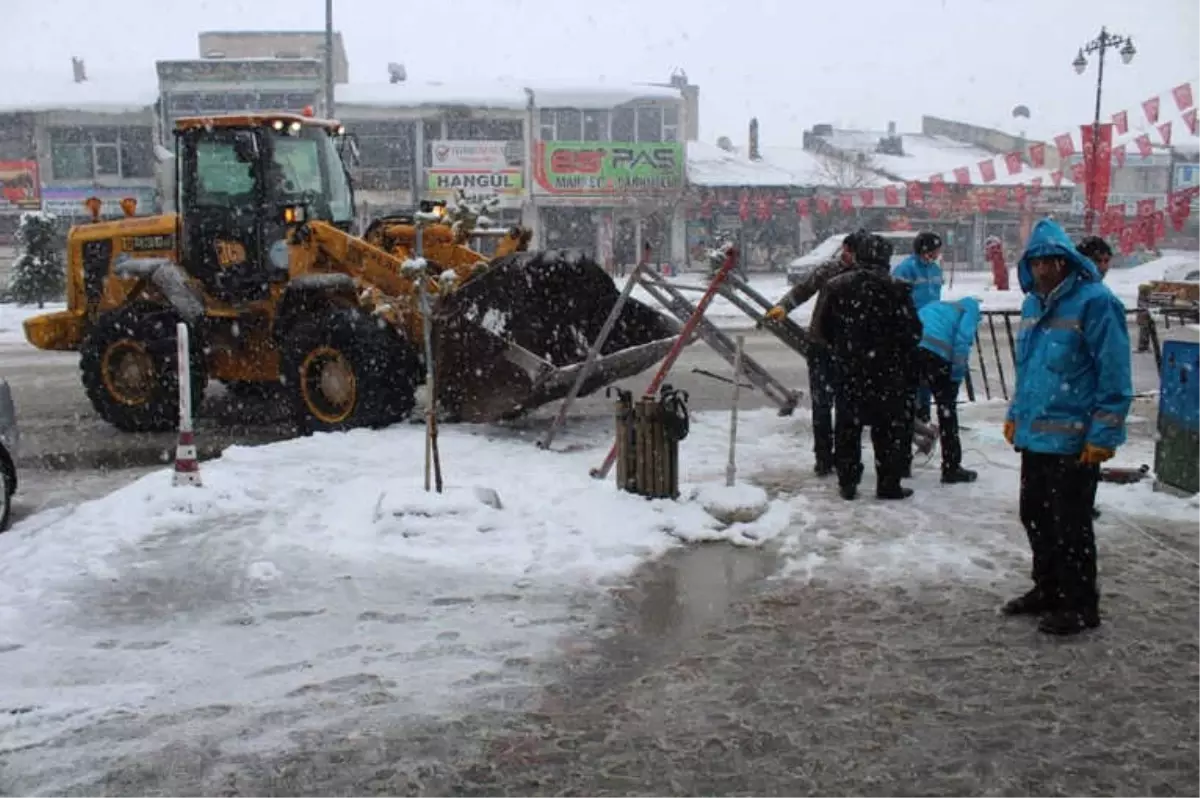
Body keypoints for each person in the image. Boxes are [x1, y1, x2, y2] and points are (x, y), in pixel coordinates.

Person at [1002, 218, 1132, 636]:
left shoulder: (1096, 302)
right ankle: (1049, 589)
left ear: (1067, 261)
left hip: (1074, 440)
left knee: (1070, 525)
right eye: (1036, 262)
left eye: (1052, 261)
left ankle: (1080, 605)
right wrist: (1014, 414)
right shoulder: (1030, 305)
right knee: (1035, 515)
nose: (1044, 270)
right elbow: (1028, 370)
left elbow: (1113, 375)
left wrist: (1103, 435)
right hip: (1036, 437)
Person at [818, 233, 922, 501]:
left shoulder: (837, 286)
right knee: (887, 429)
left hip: (849, 369)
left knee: (847, 427)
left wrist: (845, 349)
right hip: (888, 373)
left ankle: (848, 482)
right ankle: (888, 483)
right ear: (886, 259)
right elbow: (912, 333)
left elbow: (824, 329)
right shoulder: (899, 288)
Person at [765, 230, 866, 477]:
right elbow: (803, 290)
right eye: (850, 252)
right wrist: (783, 307)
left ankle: (843, 460)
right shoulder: (828, 270)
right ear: (845, 249)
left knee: (845, 408)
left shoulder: (865, 275)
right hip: (821, 346)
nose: (852, 257)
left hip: (848, 349)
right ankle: (823, 459)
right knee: (822, 406)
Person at [915, 297, 983, 484]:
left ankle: (900, 462)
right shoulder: (971, 309)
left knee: (906, 406)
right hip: (938, 356)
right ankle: (951, 467)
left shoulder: (933, 306)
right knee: (947, 412)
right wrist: (956, 376)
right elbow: (962, 341)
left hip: (912, 351)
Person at [892, 231, 945, 423]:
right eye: (935, 250)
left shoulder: (935, 270)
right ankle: (910, 416)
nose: (937, 255)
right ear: (925, 250)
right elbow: (896, 299)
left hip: (931, 329)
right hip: (910, 329)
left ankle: (923, 414)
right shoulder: (906, 269)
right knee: (911, 376)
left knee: (926, 376)